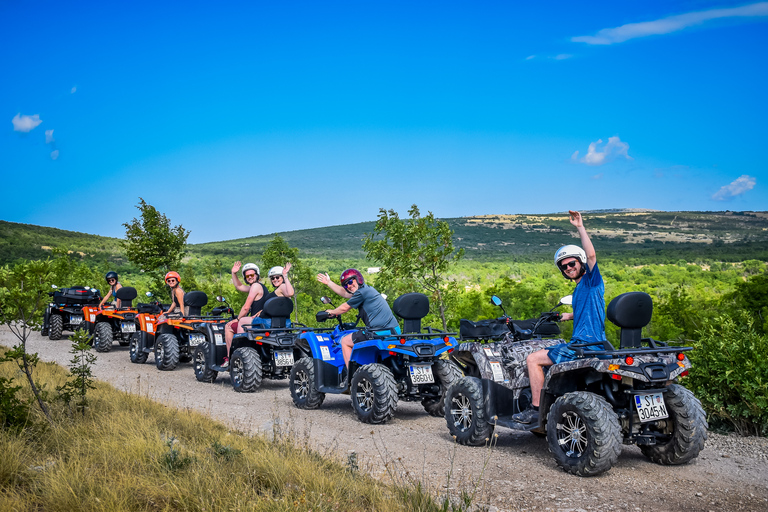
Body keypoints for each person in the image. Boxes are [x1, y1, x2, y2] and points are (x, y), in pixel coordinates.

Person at [513, 210, 607, 424]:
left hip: (585, 346)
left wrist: (580, 227)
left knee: (533, 359)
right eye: (564, 267)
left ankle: (536, 409)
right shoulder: (580, 290)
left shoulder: (592, 281)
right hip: (591, 343)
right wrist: (566, 315)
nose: (568, 268)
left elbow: (592, 255)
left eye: (572, 264)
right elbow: (587, 311)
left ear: (581, 262)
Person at [316, 268, 400, 369]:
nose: (349, 286)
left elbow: (344, 308)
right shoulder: (367, 289)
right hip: (394, 331)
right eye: (346, 285)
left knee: (345, 341)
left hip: (378, 332)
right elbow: (346, 293)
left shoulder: (362, 292)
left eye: (351, 282)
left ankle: (351, 378)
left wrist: (331, 312)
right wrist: (329, 283)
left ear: (358, 279)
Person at [223, 262, 267, 366]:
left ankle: (230, 358)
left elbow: (246, 307)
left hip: (256, 322)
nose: (250, 277)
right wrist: (234, 273)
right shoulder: (259, 286)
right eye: (247, 276)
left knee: (228, 326)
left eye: (252, 275)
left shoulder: (255, 286)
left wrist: (238, 319)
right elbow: (239, 286)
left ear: (257, 275)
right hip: (261, 321)